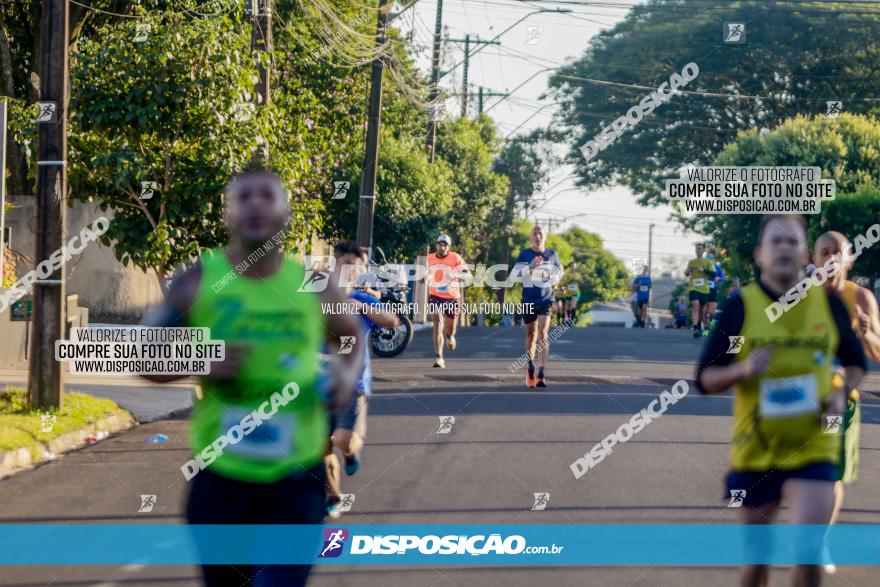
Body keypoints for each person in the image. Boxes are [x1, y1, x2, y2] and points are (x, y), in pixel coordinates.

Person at [140, 167, 364, 586]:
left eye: (267, 195)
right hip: (222, 478)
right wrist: (201, 359)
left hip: (296, 480)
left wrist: (345, 377)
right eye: (244, 197)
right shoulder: (198, 281)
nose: (256, 204)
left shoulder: (312, 285)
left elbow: (351, 339)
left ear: (285, 213)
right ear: (228, 214)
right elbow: (144, 357)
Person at [697, 215, 866, 587]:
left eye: (793, 242)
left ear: (805, 254)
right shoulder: (741, 307)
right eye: (777, 242)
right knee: (756, 566)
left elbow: (856, 363)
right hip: (756, 449)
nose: (785, 248)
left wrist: (839, 390)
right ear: (760, 255)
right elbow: (706, 378)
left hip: (813, 447)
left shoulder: (829, 306)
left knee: (806, 555)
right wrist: (741, 371)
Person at [813, 231, 880, 572]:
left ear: (849, 259)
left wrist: (867, 331)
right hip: (800, 399)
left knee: (830, 476)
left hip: (840, 401)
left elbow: (878, 352)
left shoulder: (862, 297)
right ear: (813, 259)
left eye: (837, 252)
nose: (830, 258)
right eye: (823, 252)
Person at [323, 241, 399, 518]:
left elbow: (391, 322)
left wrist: (360, 305)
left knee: (342, 440)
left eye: (358, 267)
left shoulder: (363, 300)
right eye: (346, 264)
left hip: (352, 386)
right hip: (317, 385)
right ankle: (332, 494)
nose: (351, 271)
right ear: (335, 265)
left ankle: (352, 450)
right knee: (321, 447)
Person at [515, 225, 563, 387]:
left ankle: (541, 373)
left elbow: (559, 271)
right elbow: (516, 276)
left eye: (540, 233)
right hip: (528, 299)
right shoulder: (524, 254)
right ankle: (530, 367)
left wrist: (556, 279)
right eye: (534, 233)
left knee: (543, 333)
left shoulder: (552, 254)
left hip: (546, 299)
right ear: (531, 237)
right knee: (531, 335)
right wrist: (530, 266)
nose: (537, 236)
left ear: (545, 236)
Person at [426, 234, 469, 368]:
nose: (442, 247)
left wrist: (454, 274)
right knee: (437, 325)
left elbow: (467, 274)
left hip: (452, 298)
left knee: (449, 330)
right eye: (440, 244)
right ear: (436, 245)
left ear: (448, 247)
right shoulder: (429, 258)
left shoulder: (455, 257)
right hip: (435, 296)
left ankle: (450, 336)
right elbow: (423, 273)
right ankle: (439, 357)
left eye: (445, 245)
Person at [684, 243, 716, 338]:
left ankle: (700, 328)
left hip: (704, 290)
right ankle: (695, 328)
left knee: (703, 312)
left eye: (700, 249)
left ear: (703, 251)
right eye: (696, 249)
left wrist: (704, 270)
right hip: (693, 287)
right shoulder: (691, 262)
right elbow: (686, 273)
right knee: (695, 306)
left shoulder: (708, 262)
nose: (698, 250)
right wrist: (687, 272)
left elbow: (714, 274)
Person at [705, 248, 724, 331]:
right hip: (704, 290)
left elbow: (722, 277)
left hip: (713, 290)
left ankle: (711, 325)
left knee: (712, 311)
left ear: (714, 258)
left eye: (711, 257)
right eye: (708, 256)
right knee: (705, 310)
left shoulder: (717, 267)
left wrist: (718, 278)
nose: (710, 258)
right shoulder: (704, 266)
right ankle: (706, 329)